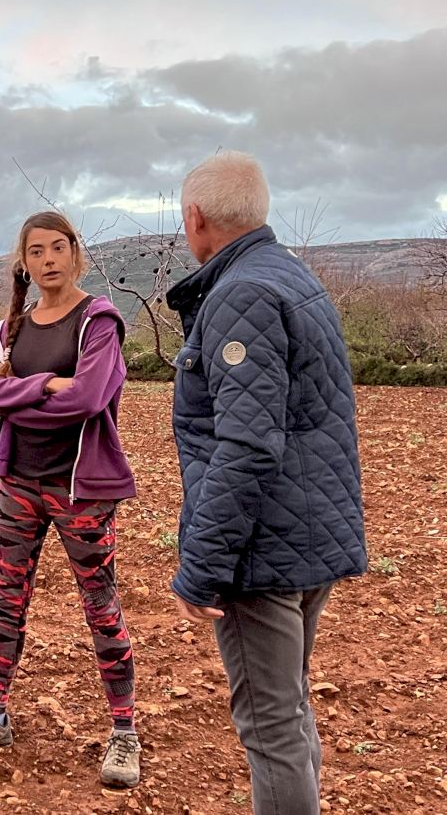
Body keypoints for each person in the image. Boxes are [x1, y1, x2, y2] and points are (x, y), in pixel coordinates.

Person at [167, 151, 366, 815]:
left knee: (271, 726)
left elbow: (247, 445)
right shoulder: (289, 275)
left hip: (263, 549)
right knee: (290, 707)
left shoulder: (240, 295)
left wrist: (202, 566)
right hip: (306, 532)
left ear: (195, 218)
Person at [0, 210, 141, 789]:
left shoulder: (98, 321)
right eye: (37, 251)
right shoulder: (12, 329)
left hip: (81, 491)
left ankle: (124, 732)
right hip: (19, 486)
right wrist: (46, 384)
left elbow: (88, 399)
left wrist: (20, 398)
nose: (48, 259)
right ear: (24, 262)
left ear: (75, 253)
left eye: (58, 247)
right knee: (7, 601)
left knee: (101, 607)